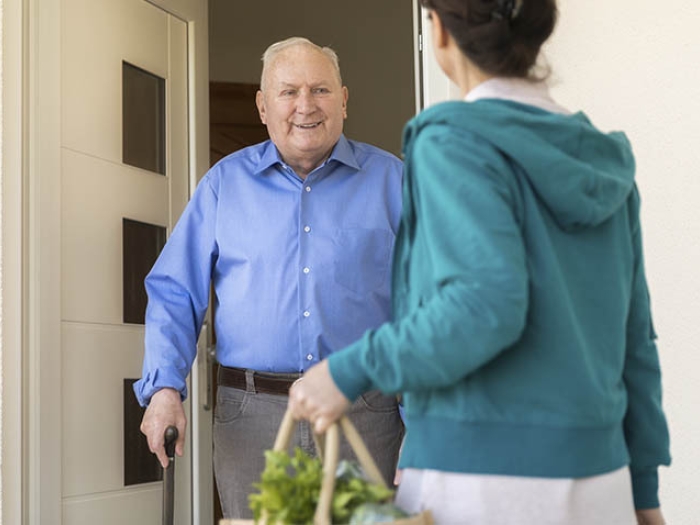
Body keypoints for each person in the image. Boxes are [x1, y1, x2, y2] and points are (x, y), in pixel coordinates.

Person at [288, 2, 671, 524]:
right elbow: (635, 341)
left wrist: (347, 370)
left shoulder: (453, 140)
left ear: (440, 31)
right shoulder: (599, 158)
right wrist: (643, 492)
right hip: (600, 479)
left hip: (480, 476)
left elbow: (484, 305)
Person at [133, 36, 404, 519]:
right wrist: (165, 388)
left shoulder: (394, 182)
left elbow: (425, 308)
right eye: (288, 92)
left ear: (343, 100)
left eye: (320, 90)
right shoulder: (223, 184)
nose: (305, 106)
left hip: (363, 410)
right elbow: (176, 292)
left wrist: (423, 426)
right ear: (262, 106)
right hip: (250, 416)